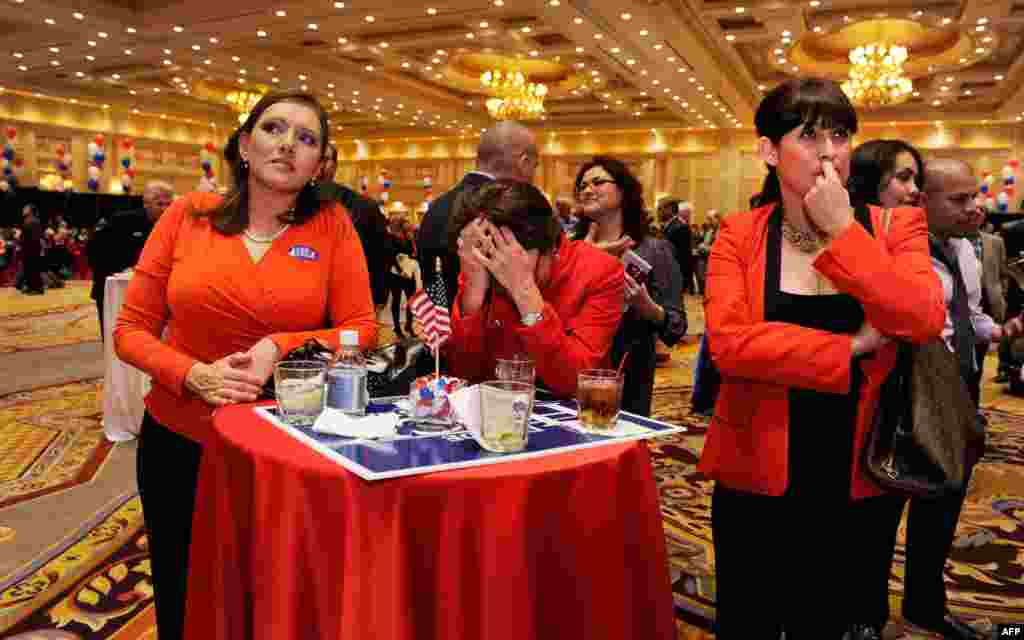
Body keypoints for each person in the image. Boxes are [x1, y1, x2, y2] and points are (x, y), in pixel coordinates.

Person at [113, 91, 377, 640]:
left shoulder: (332, 227)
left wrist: (282, 345)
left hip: (283, 446)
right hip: (179, 437)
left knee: (271, 595)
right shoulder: (189, 216)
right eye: (274, 129)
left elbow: (363, 331)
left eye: (306, 139)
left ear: (320, 163)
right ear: (244, 146)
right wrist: (192, 374)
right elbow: (129, 330)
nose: (288, 145)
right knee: (183, 590)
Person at [699, 78, 945, 639]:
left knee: (827, 622)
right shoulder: (740, 234)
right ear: (768, 150)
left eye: (840, 134)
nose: (830, 150)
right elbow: (729, 345)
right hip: (755, 464)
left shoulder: (893, 226)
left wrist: (841, 230)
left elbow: (922, 318)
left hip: (856, 468)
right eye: (809, 136)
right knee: (747, 621)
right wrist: (851, 347)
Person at [444, 179, 623, 397]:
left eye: (510, 264)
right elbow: (464, 376)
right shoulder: (482, 265)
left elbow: (576, 383)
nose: (501, 279)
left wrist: (524, 290)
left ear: (552, 248)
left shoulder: (601, 272)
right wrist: (473, 294)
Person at [573, 157, 686, 416]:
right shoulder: (572, 247)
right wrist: (583, 260)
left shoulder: (655, 249)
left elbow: (676, 327)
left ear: (623, 191)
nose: (587, 189)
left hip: (629, 370)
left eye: (598, 182)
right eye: (582, 185)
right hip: (573, 368)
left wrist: (647, 308)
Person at [417, 121, 538, 309]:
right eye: (535, 166)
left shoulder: (435, 207)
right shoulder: (514, 209)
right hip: (489, 331)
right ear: (524, 163)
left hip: (438, 326)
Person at [87, 181, 174, 339]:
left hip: (148, 290)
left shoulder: (171, 225)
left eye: (169, 204)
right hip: (113, 288)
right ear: (146, 203)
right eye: (160, 204)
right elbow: (94, 251)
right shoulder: (121, 221)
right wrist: (122, 269)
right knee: (113, 337)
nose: (165, 208)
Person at [317, 142, 392, 309]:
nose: (318, 164)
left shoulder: (363, 207)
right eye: (314, 157)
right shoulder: (281, 203)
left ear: (334, 166)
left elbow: (380, 256)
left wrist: (377, 299)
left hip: (349, 301)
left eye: (324, 159)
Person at [661, 199, 695, 295]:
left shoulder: (680, 227)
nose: (659, 212)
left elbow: (684, 255)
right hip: (668, 272)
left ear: (670, 210)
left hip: (676, 273)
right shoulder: (670, 225)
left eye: (661, 209)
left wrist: (685, 278)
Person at [19, 204, 44, 295]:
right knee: (31, 269)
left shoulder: (31, 221)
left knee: (32, 269)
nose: (23, 210)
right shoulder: (33, 220)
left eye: (25, 209)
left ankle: (36, 288)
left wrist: (21, 240)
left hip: (30, 248)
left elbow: (29, 237)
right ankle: (32, 287)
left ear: (30, 211)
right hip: (32, 247)